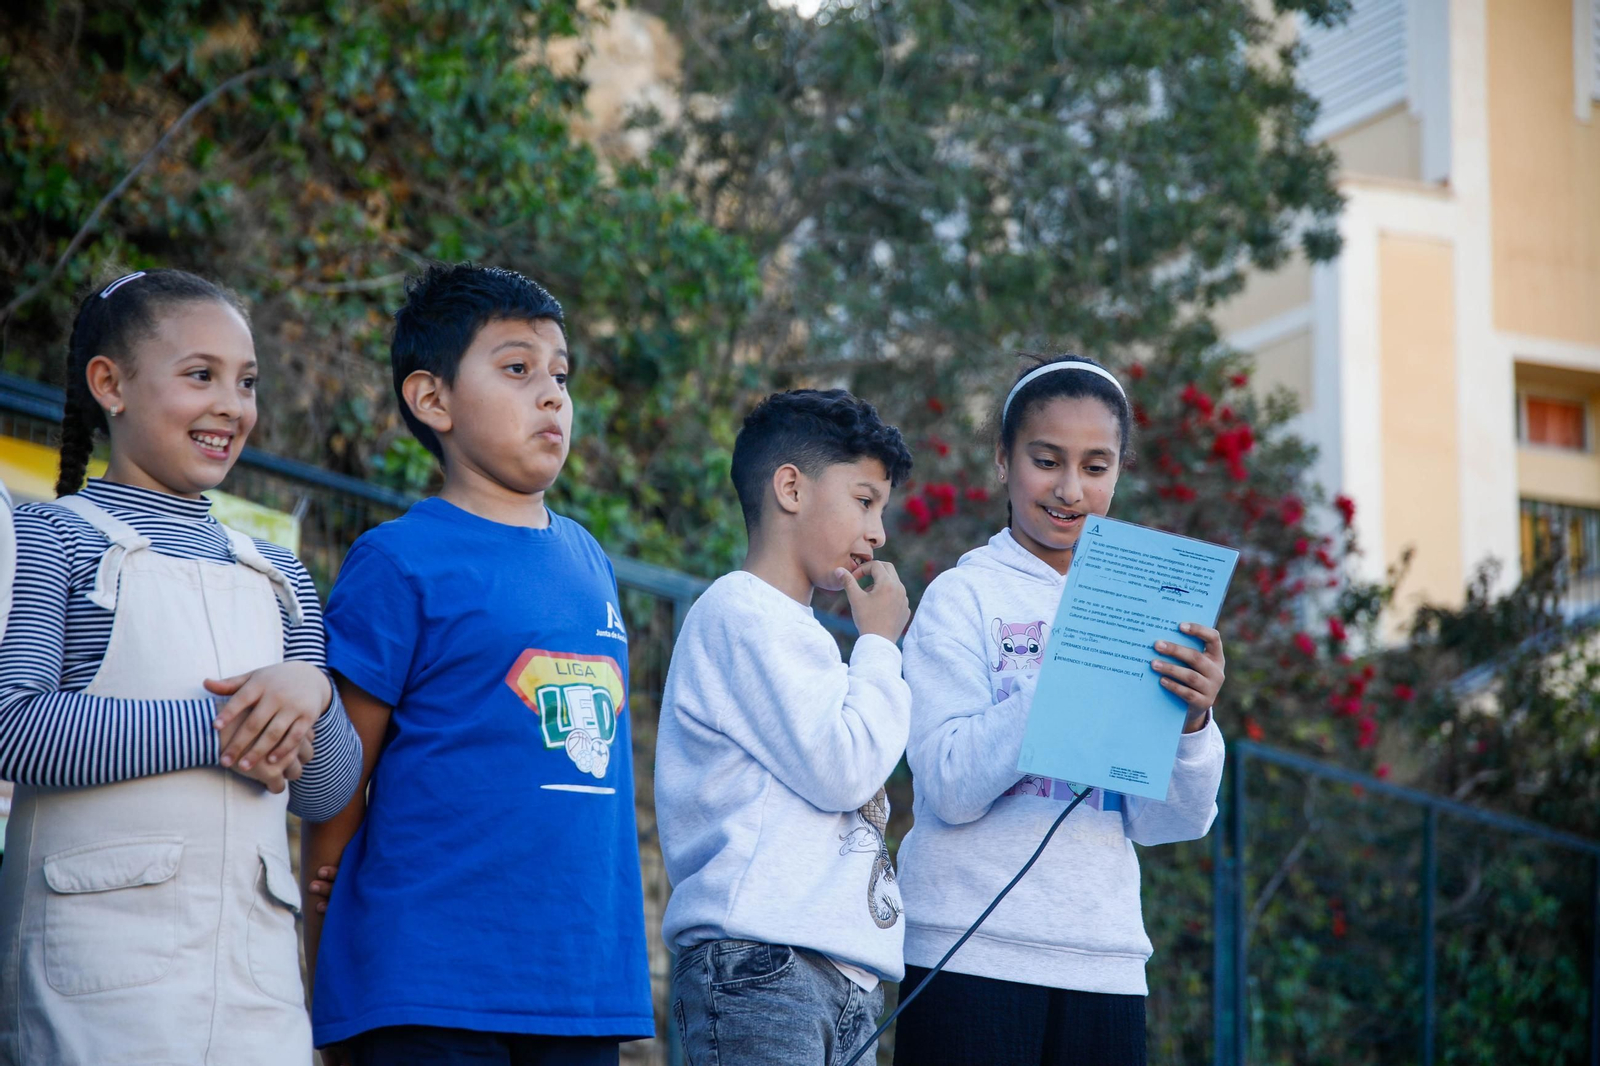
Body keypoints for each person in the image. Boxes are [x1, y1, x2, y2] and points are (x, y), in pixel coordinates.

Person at [0, 268, 362, 1066]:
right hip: (93, 981)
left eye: (247, 382)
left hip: (257, 986)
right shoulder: (50, 539)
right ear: (111, 383)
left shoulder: (278, 574)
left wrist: (315, 695)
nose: (232, 406)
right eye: (201, 376)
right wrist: (228, 725)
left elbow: (326, 788)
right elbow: (14, 727)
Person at [303, 263, 653, 1066]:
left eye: (560, 375)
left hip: (579, 992)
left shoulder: (589, 560)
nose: (553, 395)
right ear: (432, 400)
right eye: (518, 368)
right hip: (423, 985)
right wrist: (328, 977)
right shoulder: (396, 561)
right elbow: (338, 777)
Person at [891, 355, 1227, 1066]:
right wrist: (1063, 677)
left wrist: (1195, 724)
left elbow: (1173, 821)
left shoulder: (1150, 614)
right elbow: (948, 785)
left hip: (1104, 962)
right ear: (1003, 460)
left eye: (1096, 467)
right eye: (1047, 460)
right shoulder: (963, 597)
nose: (1070, 489)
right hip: (968, 953)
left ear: (1119, 472)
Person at [657, 388, 915, 1066]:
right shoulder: (741, 613)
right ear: (791, 488)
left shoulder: (797, 634)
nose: (878, 533)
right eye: (864, 501)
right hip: (764, 966)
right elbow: (844, 767)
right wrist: (882, 645)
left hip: (832, 972)